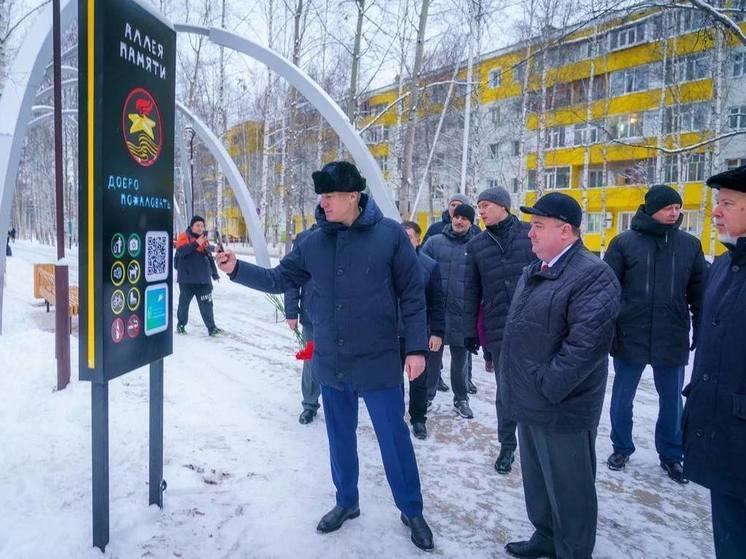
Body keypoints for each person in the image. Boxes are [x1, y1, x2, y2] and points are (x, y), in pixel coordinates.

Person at [216, 161, 435, 552]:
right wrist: (236, 269)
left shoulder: (389, 236)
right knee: (339, 437)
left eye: (330, 196)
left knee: (393, 438)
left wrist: (416, 347)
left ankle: (411, 508)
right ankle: (346, 502)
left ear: (353, 197)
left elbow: (413, 294)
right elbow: (279, 279)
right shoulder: (313, 241)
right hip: (332, 361)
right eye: (322, 196)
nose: (324, 203)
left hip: (379, 359)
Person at [500, 192, 620, 559]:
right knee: (538, 483)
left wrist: (546, 387)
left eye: (538, 227)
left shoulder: (592, 275)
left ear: (565, 231)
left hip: (562, 406)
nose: (530, 234)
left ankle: (572, 550)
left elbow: (585, 347)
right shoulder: (536, 269)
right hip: (531, 400)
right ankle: (547, 537)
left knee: (570, 490)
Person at [603, 184, 707, 482]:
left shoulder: (690, 245)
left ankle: (672, 455)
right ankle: (621, 446)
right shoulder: (623, 243)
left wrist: (701, 330)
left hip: (671, 334)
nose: (675, 212)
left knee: (672, 400)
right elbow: (607, 292)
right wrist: (608, 331)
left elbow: (700, 294)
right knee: (623, 396)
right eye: (668, 207)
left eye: (678, 207)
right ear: (651, 209)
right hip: (630, 333)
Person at [683, 165, 746, 559]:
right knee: (729, 535)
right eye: (717, 203)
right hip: (723, 432)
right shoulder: (723, 265)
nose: (716, 212)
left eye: (728, 203)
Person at [464, 186, 534, 475]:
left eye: (486, 205)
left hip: (536, 326)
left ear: (504, 207)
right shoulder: (477, 244)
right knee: (505, 393)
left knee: (535, 389)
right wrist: (470, 331)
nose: (480, 211)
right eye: (479, 206)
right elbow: (471, 290)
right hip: (499, 327)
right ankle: (507, 446)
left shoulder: (529, 234)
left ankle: (536, 446)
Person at [422, 203, 479, 419]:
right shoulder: (434, 243)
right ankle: (427, 396)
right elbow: (420, 271)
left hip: (462, 314)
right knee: (432, 359)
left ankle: (461, 399)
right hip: (436, 313)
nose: (459, 221)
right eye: (457, 216)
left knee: (460, 361)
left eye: (465, 218)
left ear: (471, 223)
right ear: (451, 218)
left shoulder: (476, 246)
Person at [399, 221, 445, 440]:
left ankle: (418, 419)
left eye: (410, 237)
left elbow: (437, 302)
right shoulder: (387, 264)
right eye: (402, 236)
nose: (406, 241)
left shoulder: (429, 266)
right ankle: (395, 418)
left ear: (418, 240)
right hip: (390, 335)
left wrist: (436, 332)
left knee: (418, 380)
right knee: (392, 381)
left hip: (418, 334)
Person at [284, 224, 320, 425]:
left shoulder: (350, 235)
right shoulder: (305, 239)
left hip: (345, 317)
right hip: (312, 315)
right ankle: (310, 404)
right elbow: (291, 278)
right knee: (312, 360)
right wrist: (291, 311)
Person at [174, 215, 222, 336]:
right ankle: (181, 325)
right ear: (191, 226)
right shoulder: (183, 237)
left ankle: (212, 328)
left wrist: (214, 273)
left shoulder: (203, 239)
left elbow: (208, 255)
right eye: (197, 225)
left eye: (202, 225)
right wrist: (197, 243)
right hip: (187, 280)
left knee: (207, 304)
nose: (200, 228)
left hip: (203, 279)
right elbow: (182, 251)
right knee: (184, 304)